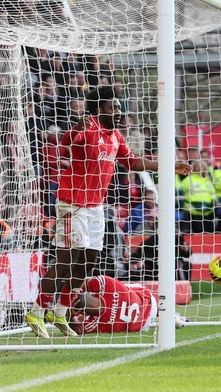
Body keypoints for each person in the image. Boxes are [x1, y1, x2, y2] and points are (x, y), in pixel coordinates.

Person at [25, 86, 192, 339]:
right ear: (98, 108)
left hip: (96, 207)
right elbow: (68, 140)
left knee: (88, 261)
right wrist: (75, 129)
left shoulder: (114, 136)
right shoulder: (88, 127)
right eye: (113, 107)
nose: (119, 112)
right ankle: (36, 311)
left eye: (119, 107)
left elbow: (133, 162)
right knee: (66, 261)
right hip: (73, 204)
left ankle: (59, 312)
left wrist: (169, 165)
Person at [65, 275, 157, 334]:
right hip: (147, 297)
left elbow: (76, 329)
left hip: (144, 324)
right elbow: (85, 281)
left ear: (84, 312)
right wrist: (75, 292)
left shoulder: (98, 324)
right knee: (123, 287)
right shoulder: (104, 283)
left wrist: (70, 315)